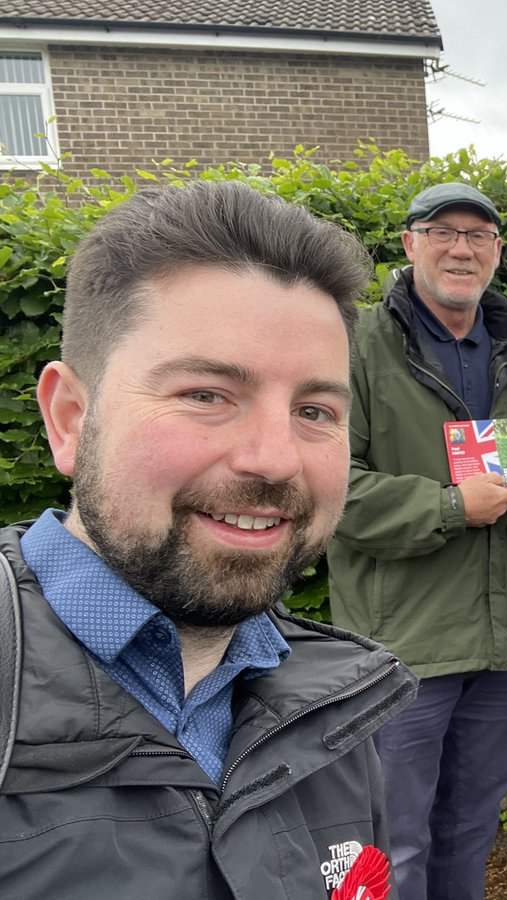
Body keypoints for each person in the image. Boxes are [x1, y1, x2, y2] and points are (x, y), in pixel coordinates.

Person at [0, 180, 418, 898]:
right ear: (70, 417)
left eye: (314, 410)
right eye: (205, 395)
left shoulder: (336, 709)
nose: (276, 458)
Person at [326, 182, 507, 899]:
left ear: (497, 252)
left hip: (502, 643)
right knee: (391, 839)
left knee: (472, 825)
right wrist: (452, 507)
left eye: (478, 235)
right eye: (443, 230)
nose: (461, 247)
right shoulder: (355, 344)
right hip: (401, 645)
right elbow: (327, 486)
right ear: (409, 243)